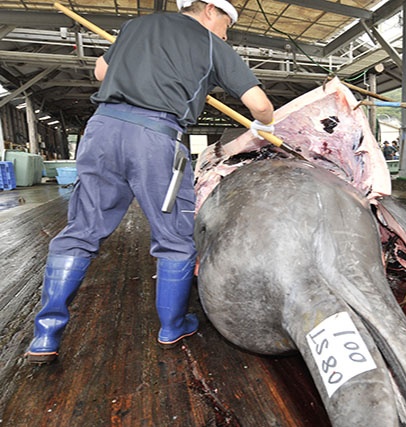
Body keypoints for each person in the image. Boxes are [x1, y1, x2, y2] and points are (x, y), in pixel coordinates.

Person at [25, 0, 275, 364]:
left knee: (81, 230)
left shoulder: (137, 26)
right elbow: (260, 102)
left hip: (101, 131)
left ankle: (45, 334)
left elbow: (99, 71)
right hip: (155, 138)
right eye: (227, 24)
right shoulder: (212, 45)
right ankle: (173, 326)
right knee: (174, 238)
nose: (226, 33)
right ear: (209, 11)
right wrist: (263, 126)